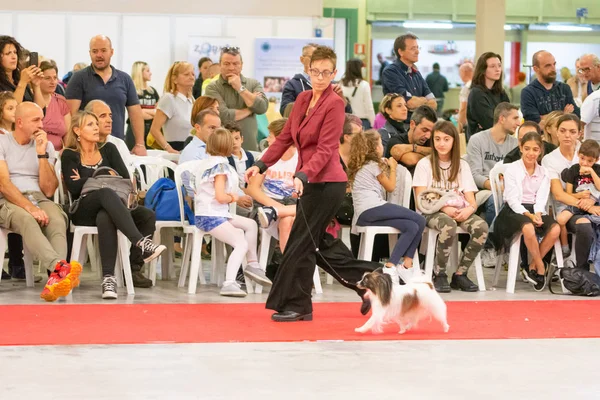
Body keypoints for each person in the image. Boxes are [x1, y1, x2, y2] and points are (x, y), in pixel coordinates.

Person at [245, 46, 379, 322]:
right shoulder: (303, 99)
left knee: (302, 243)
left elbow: (327, 147)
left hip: (327, 183)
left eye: (326, 72)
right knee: (316, 243)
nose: (320, 77)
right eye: (315, 71)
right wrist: (261, 164)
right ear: (308, 70)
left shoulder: (335, 104)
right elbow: (284, 139)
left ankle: (299, 305)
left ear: (334, 72)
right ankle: (371, 281)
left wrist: (303, 175)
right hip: (308, 181)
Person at [61, 111, 165, 297]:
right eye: (90, 124)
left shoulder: (109, 149)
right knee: (106, 192)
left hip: (111, 207)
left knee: (142, 214)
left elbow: (124, 179)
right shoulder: (69, 154)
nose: (96, 128)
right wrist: (101, 178)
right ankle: (141, 242)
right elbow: (74, 188)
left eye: (96, 123)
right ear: (77, 130)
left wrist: (86, 178)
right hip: (84, 208)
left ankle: (116, 277)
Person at [0, 102, 80, 301]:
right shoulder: (2, 143)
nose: (41, 124)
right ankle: (59, 269)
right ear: (19, 122)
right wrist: (29, 208)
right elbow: (3, 184)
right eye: (35, 120)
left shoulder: (46, 146)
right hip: (8, 199)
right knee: (27, 220)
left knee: (57, 219)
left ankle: (55, 282)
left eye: (41, 119)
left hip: (38, 196)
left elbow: (49, 189)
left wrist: (42, 153)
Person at [193, 127, 270, 297]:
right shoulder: (221, 168)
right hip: (212, 216)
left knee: (250, 224)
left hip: (210, 213)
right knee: (240, 242)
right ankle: (229, 283)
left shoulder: (204, 164)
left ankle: (252, 264)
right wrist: (233, 198)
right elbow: (221, 197)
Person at [413, 120, 488, 292]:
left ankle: (460, 274)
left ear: (454, 140)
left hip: (459, 209)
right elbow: (421, 200)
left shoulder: (462, 165)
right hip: (431, 212)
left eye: (446, 139)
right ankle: (439, 274)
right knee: (448, 224)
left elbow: (471, 199)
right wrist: (444, 208)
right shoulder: (424, 164)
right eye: (437, 139)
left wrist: (469, 209)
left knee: (481, 227)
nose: (441, 143)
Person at [348, 129, 425, 283]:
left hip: (364, 215)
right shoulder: (373, 165)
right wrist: (393, 166)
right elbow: (390, 187)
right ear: (376, 148)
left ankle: (399, 266)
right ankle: (397, 265)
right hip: (373, 207)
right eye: (381, 144)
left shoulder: (360, 164)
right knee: (420, 220)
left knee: (411, 226)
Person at [493, 132, 560, 291]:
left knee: (555, 228)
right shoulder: (512, 169)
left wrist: (537, 213)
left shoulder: (544, 172)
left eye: (535, 149)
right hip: (513, 210)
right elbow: (512, 200)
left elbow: (541, 198)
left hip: (534, 209)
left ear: (540, 150)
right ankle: (540, 267)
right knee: (528, 227)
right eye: (527, 149)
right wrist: (529, 215)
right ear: (521, 148)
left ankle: (530, 266)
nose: (531, 153)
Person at [65, 35, 146, 156]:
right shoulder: (78, 78)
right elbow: (70, 116)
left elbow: (135, 113)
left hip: (117, 145)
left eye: (103, 50)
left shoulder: (125, 79)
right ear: (90, 53)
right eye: (94, 51)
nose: (99, 55)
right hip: (87, 148)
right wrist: (69, 145)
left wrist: (140, 144)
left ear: (111, 52)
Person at [466, 102, 519, 266]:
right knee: (493, 200)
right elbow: (474, 175)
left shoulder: (515, 144)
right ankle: (490, 248)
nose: (518, 123)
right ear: (502, 119)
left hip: (507, 191)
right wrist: (496, 187)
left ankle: (508, 249)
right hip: (481, 191)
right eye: (515, 118)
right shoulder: (477, 140)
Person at [542, 114, 596, 271]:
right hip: (567, 210)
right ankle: (582, 273)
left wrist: (592, 201)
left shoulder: (590, 150)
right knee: (585, 225)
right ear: (556, 132)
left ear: (580, 133)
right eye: (563, 130)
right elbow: (559, 195)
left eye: (572, 131)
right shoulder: (549, 160)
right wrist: (588, 207)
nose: (567, 135)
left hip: (592, 201)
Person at [247, 118, 297, 252]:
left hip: (292, 204)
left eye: (270, 136)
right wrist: (277, 207)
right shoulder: (266, 155)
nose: (267, 140)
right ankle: (290, 268)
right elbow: (252, 189)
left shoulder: (300, 157)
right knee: (287, 219)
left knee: (288, 220)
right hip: (267, 203)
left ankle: (288, 267)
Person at [205, 46, 268, 152]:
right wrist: (251, 108)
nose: (231, 68)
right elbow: (223, 116)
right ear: (220, 65)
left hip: (250, 147)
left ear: (241, 65)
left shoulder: (253, 84)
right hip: (222, 148)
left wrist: (240, 88)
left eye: (235, 64)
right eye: (226, 64)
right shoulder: (212, 87)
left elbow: (262, 108)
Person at [556, 139, 600, 257]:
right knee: (560, 219)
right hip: (576, 204)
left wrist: (591, 171)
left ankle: (594, 253)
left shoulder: (597, 170)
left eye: (590, 161)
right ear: (578, 155)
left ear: (596, 160)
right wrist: (579, 196)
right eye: (582, 158)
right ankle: (565, 247)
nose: (585, 163)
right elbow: (568, 193)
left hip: (594, 205)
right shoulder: (574, 169)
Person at [381, 33, 436, 122]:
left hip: (418, 125)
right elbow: (409, 103)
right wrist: (425, 101)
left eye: (417, 48)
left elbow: (433, 103)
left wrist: (419, 101)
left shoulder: (416, 73)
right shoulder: (391, 72)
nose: (417, 51)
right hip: (400, 128)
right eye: (413, 48)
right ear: (400, 52)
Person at [147, 61, 195, 153]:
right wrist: (169, 149)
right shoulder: (169, 98)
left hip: (190, 150)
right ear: (175, 79)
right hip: (176, 151)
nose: (191, 77)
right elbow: (154, 129)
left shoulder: (192, 100)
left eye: (193, 74)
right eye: (186, 74)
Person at [520, 51, 578, 124]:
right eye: (548, 66)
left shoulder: (564, 89)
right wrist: (564, 114)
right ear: (536, 69)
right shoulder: (528, 92)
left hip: (564, 135)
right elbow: (533, 121)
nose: (553, 69)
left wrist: (544, 118)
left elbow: (575, 115)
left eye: (554, 64)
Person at [467, 52, 510, 138]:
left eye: (499, 66)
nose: (498, 69)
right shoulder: (477, 93)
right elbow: (490, 123)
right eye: (492, 66)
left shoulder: (501, 92)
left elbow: (511, 118)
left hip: (500, 140)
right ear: (483, 70)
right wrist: (503, 122)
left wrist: (503, 123)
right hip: (481, 144)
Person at [385, 104, 437, 175]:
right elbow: (412, 160)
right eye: (424, 130)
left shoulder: (430, 140)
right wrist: (433, 156)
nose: (428, 136)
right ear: (412, 124)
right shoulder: (395, 140)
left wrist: (413, 148)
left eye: (431, 132)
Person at [180, 109, 221, 194]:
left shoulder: (214, 149)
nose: (216, 133)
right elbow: (200, 188)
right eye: (212, 128)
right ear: (198, 128)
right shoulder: (192, 152)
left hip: (222, 198)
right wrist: (235, 198)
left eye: (218, 129)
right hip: (205, 203)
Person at [84, 100, 132, 167]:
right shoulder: (79, 145)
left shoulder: (119, 144)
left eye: (110, 116)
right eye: (103, 116)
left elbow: (129, 174)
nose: (110, 120)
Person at [0, 36, 43, 106]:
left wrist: (36, 85)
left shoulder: (18, 79)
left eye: (15, 52)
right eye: (8, 53)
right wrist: (22, 83)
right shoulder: (22, 80)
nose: (14, 57)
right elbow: (12, 109)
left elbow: (41, 110)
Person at [126, 61, 159, 150]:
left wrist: (144, 111)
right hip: (134, 130)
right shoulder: (132, 91)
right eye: (147, 71)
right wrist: (150, 112)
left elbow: (158, 113)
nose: (150, 73)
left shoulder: (153, 91)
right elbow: (136, 114)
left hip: (151, 130)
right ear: (139, 72)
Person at [37, 61, 70, 151]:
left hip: (59, 154)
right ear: (38, 79)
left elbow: (67, 134)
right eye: (47, 78)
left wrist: (66, 151)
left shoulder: (61, 101)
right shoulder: (29, 99)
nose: (53, 82)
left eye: (55, 78)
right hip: (37, 151)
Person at [225, 122, 255, 216]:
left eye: (237, 138)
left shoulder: (249, 156)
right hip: (234, 194)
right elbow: (227, 183)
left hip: (249, 193)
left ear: (242, 139)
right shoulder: (225, 158)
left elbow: (253, 179)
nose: (234, 142)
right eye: (230, 139)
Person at [280, 43, 318, 114]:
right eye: (312, 57)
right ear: (302, 59)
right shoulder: (292, 84)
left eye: (318, 58)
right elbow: (284, 110)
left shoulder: (329, 83)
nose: (315, 61)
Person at [341, 58, 375, 129]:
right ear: (359, 69)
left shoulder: (340, 84)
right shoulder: (364, 84)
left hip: (345, 122)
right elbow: (369, 107)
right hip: (362, 122)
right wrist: (373, 124)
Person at [457, 62, 474, 132]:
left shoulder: (466, 88)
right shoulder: (479, 85)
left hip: (469, 125)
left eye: (459, 73)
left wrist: (459, 127)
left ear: (463, 72)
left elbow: (463, 108)